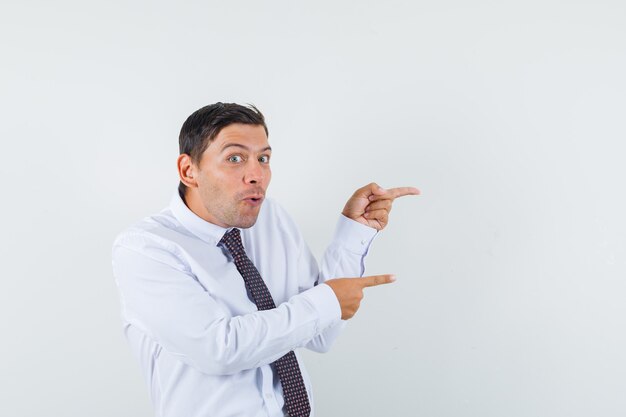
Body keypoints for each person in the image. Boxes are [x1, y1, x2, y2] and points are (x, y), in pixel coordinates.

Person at [112, 102, 419, 417]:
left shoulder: (272, 219)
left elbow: (320, 332)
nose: (256, 174)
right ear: (189, 171)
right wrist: (326, 302)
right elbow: (219, 350)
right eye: (235, 158)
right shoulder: (147, 249)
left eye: (263, 158)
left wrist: (353, 233)